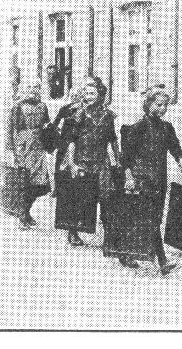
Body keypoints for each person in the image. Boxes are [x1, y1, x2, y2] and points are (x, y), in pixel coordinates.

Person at [120, 86, 182, 275]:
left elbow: (174, 146)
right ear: (148, 104)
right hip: (142, 179)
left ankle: (127, 253)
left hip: (159, 179)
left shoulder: (166, 127)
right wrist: (128, 177)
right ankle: (162, 260)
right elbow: (126, 156)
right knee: (149, 218)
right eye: (158, 105)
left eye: (165, 105)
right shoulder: (139, 126)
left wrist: (181, 160)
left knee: (154, 217)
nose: (163, 109)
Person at [62, 78, 121, 248]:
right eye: (86, 93)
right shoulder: (79, 114)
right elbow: (72, 141)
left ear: (100, 94)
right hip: (83, 161)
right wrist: (71, 163)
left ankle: (109, 239)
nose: (88, 96)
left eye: (92, 93)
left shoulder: (108, 115)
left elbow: (112, 139)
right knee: (81, 198)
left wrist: (116, 161)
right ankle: (73, 232)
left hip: (101, 162)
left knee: (106, 198)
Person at [7, 80, 51, 229]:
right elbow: (10, 130)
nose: (33, 90)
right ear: (24, 90)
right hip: (23, 149)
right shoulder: (17, 106)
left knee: (41, 185)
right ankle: (22, 215)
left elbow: (46, 126)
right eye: (30, 87)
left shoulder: (43, 106)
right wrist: (11, 152)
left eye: (36, 87)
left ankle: (25, 211)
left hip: (38, 148)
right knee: (25, 183)